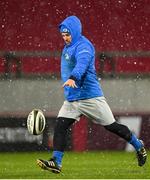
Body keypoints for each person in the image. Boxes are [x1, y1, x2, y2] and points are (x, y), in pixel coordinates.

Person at [37, 15, 147, 173]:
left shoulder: (84, 46)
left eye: (68, 34)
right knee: (60, 126)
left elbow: (82, 64)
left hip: (90, 97)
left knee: (112, 126)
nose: (65, 38)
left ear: (75, 32)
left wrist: (73, 77)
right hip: (72, 99)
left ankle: (138, 145)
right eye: (63, 35)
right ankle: (56, 162)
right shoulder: (68, 46)